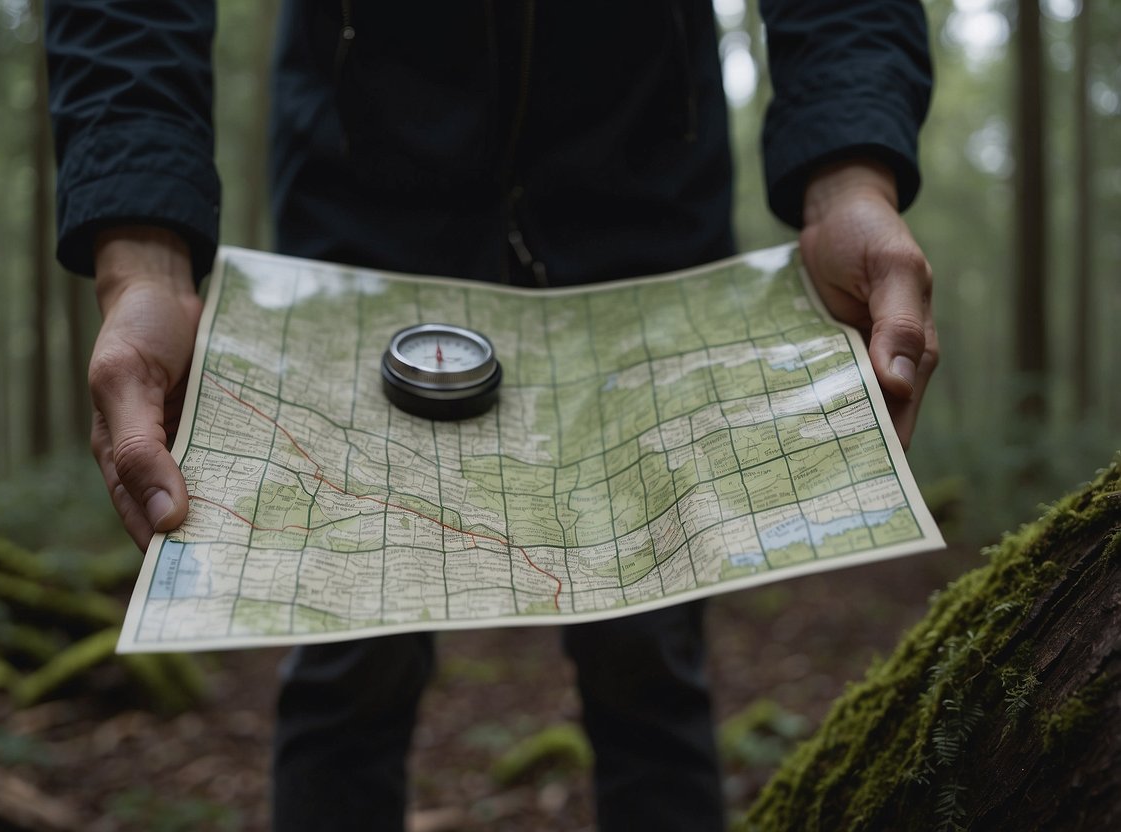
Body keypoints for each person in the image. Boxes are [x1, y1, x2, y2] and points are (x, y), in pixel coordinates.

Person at [47, 1, 937, 829]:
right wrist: (143, 260)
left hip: (643, 224)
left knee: (653, 658)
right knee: (347, 655)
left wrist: (849, 180)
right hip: (359, 225)